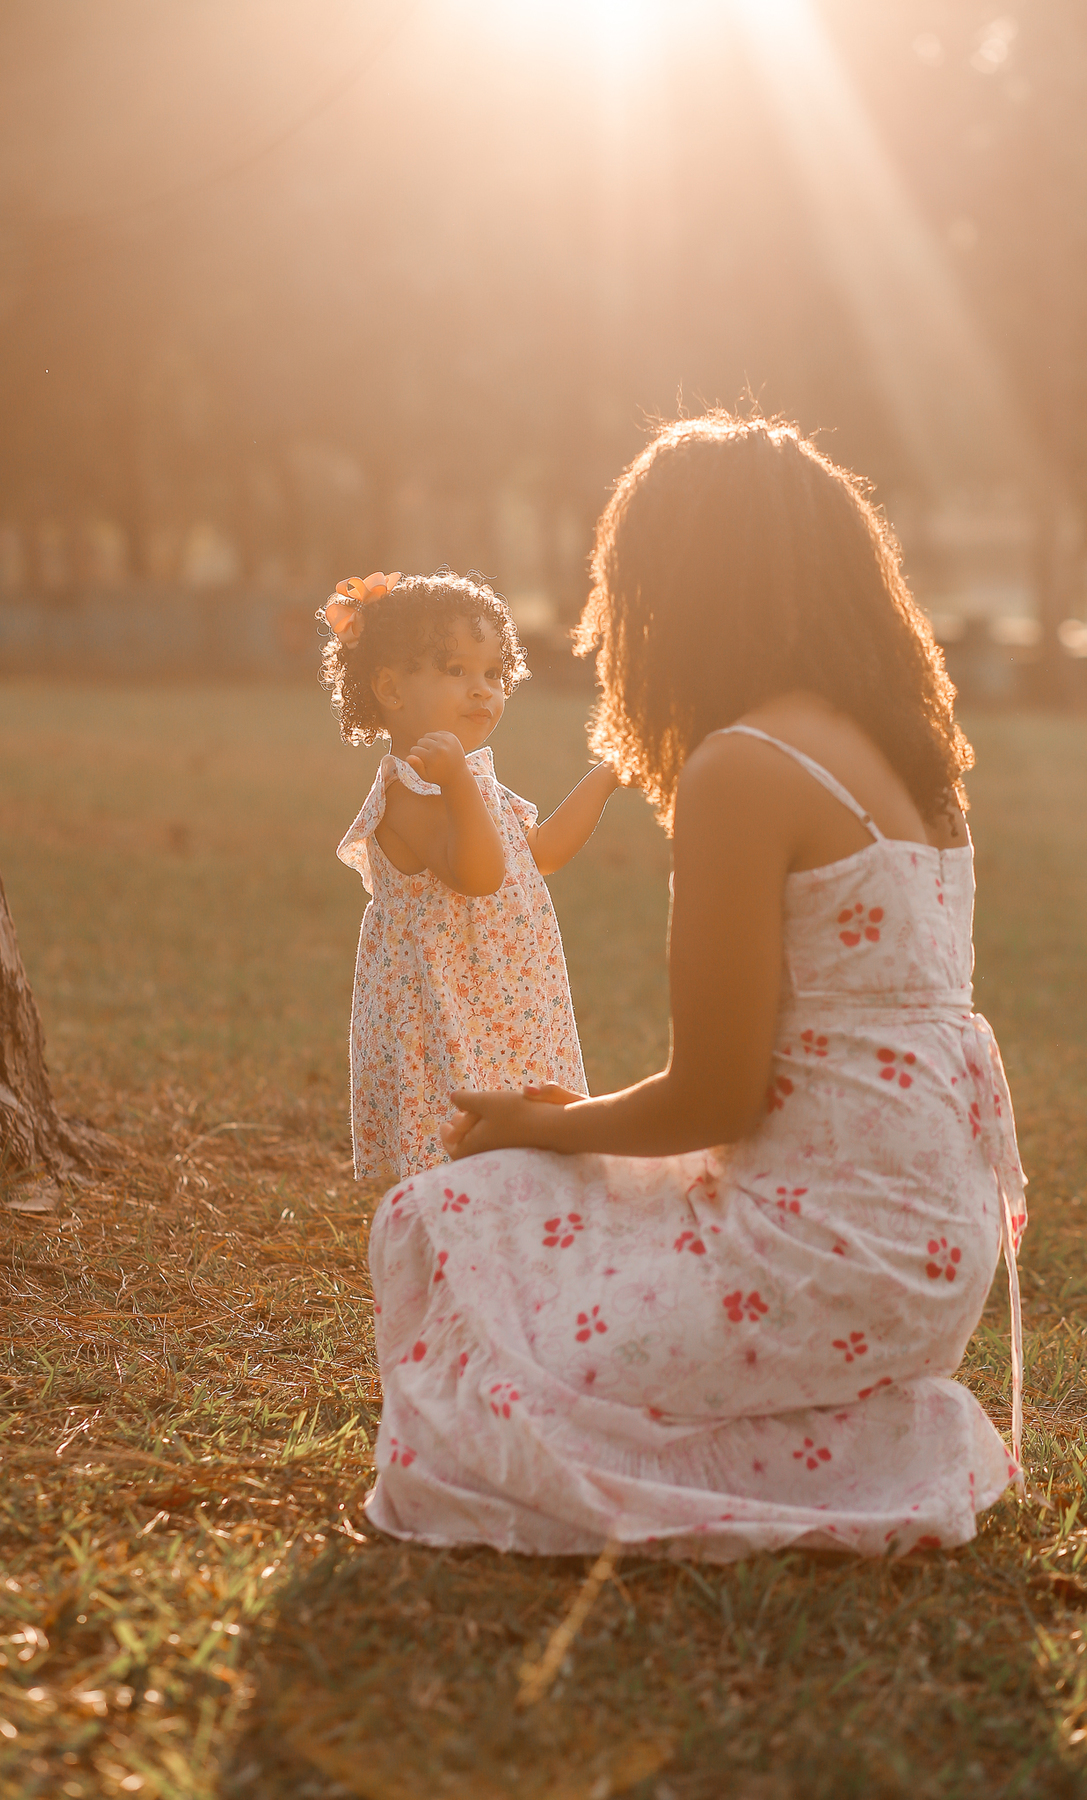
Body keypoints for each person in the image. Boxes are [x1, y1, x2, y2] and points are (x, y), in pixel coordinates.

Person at [362, 417, 1029, 1560]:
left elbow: (717, 1099)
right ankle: (862, 1428)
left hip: (823, 1249)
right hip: (935, 1252)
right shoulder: (916, 763)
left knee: (450, 1217)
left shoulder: (743, 767)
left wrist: (545, 1124)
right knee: (549, 1218)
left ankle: (816, 1450)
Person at [321, 567, 619, 1179]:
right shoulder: (407, 795)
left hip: (508, 1004)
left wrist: (609, 773)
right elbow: (479, 874)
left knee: (524, 1139)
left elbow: (542, 855)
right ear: (391, 688)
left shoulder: (473, 779)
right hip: (445, 1009)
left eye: (492, 673)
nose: (482, 690)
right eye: (455, 671)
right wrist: (456, 783)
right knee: (461, 1153)